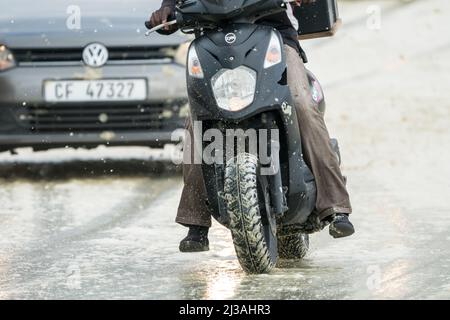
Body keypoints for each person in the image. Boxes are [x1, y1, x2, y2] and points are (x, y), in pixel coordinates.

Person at [147, 0, 355, 253]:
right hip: (214, 43)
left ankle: (335, 205)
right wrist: (166, 9)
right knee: (197, 120)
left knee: (301, 103)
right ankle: (196, 219)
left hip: (275, 37)